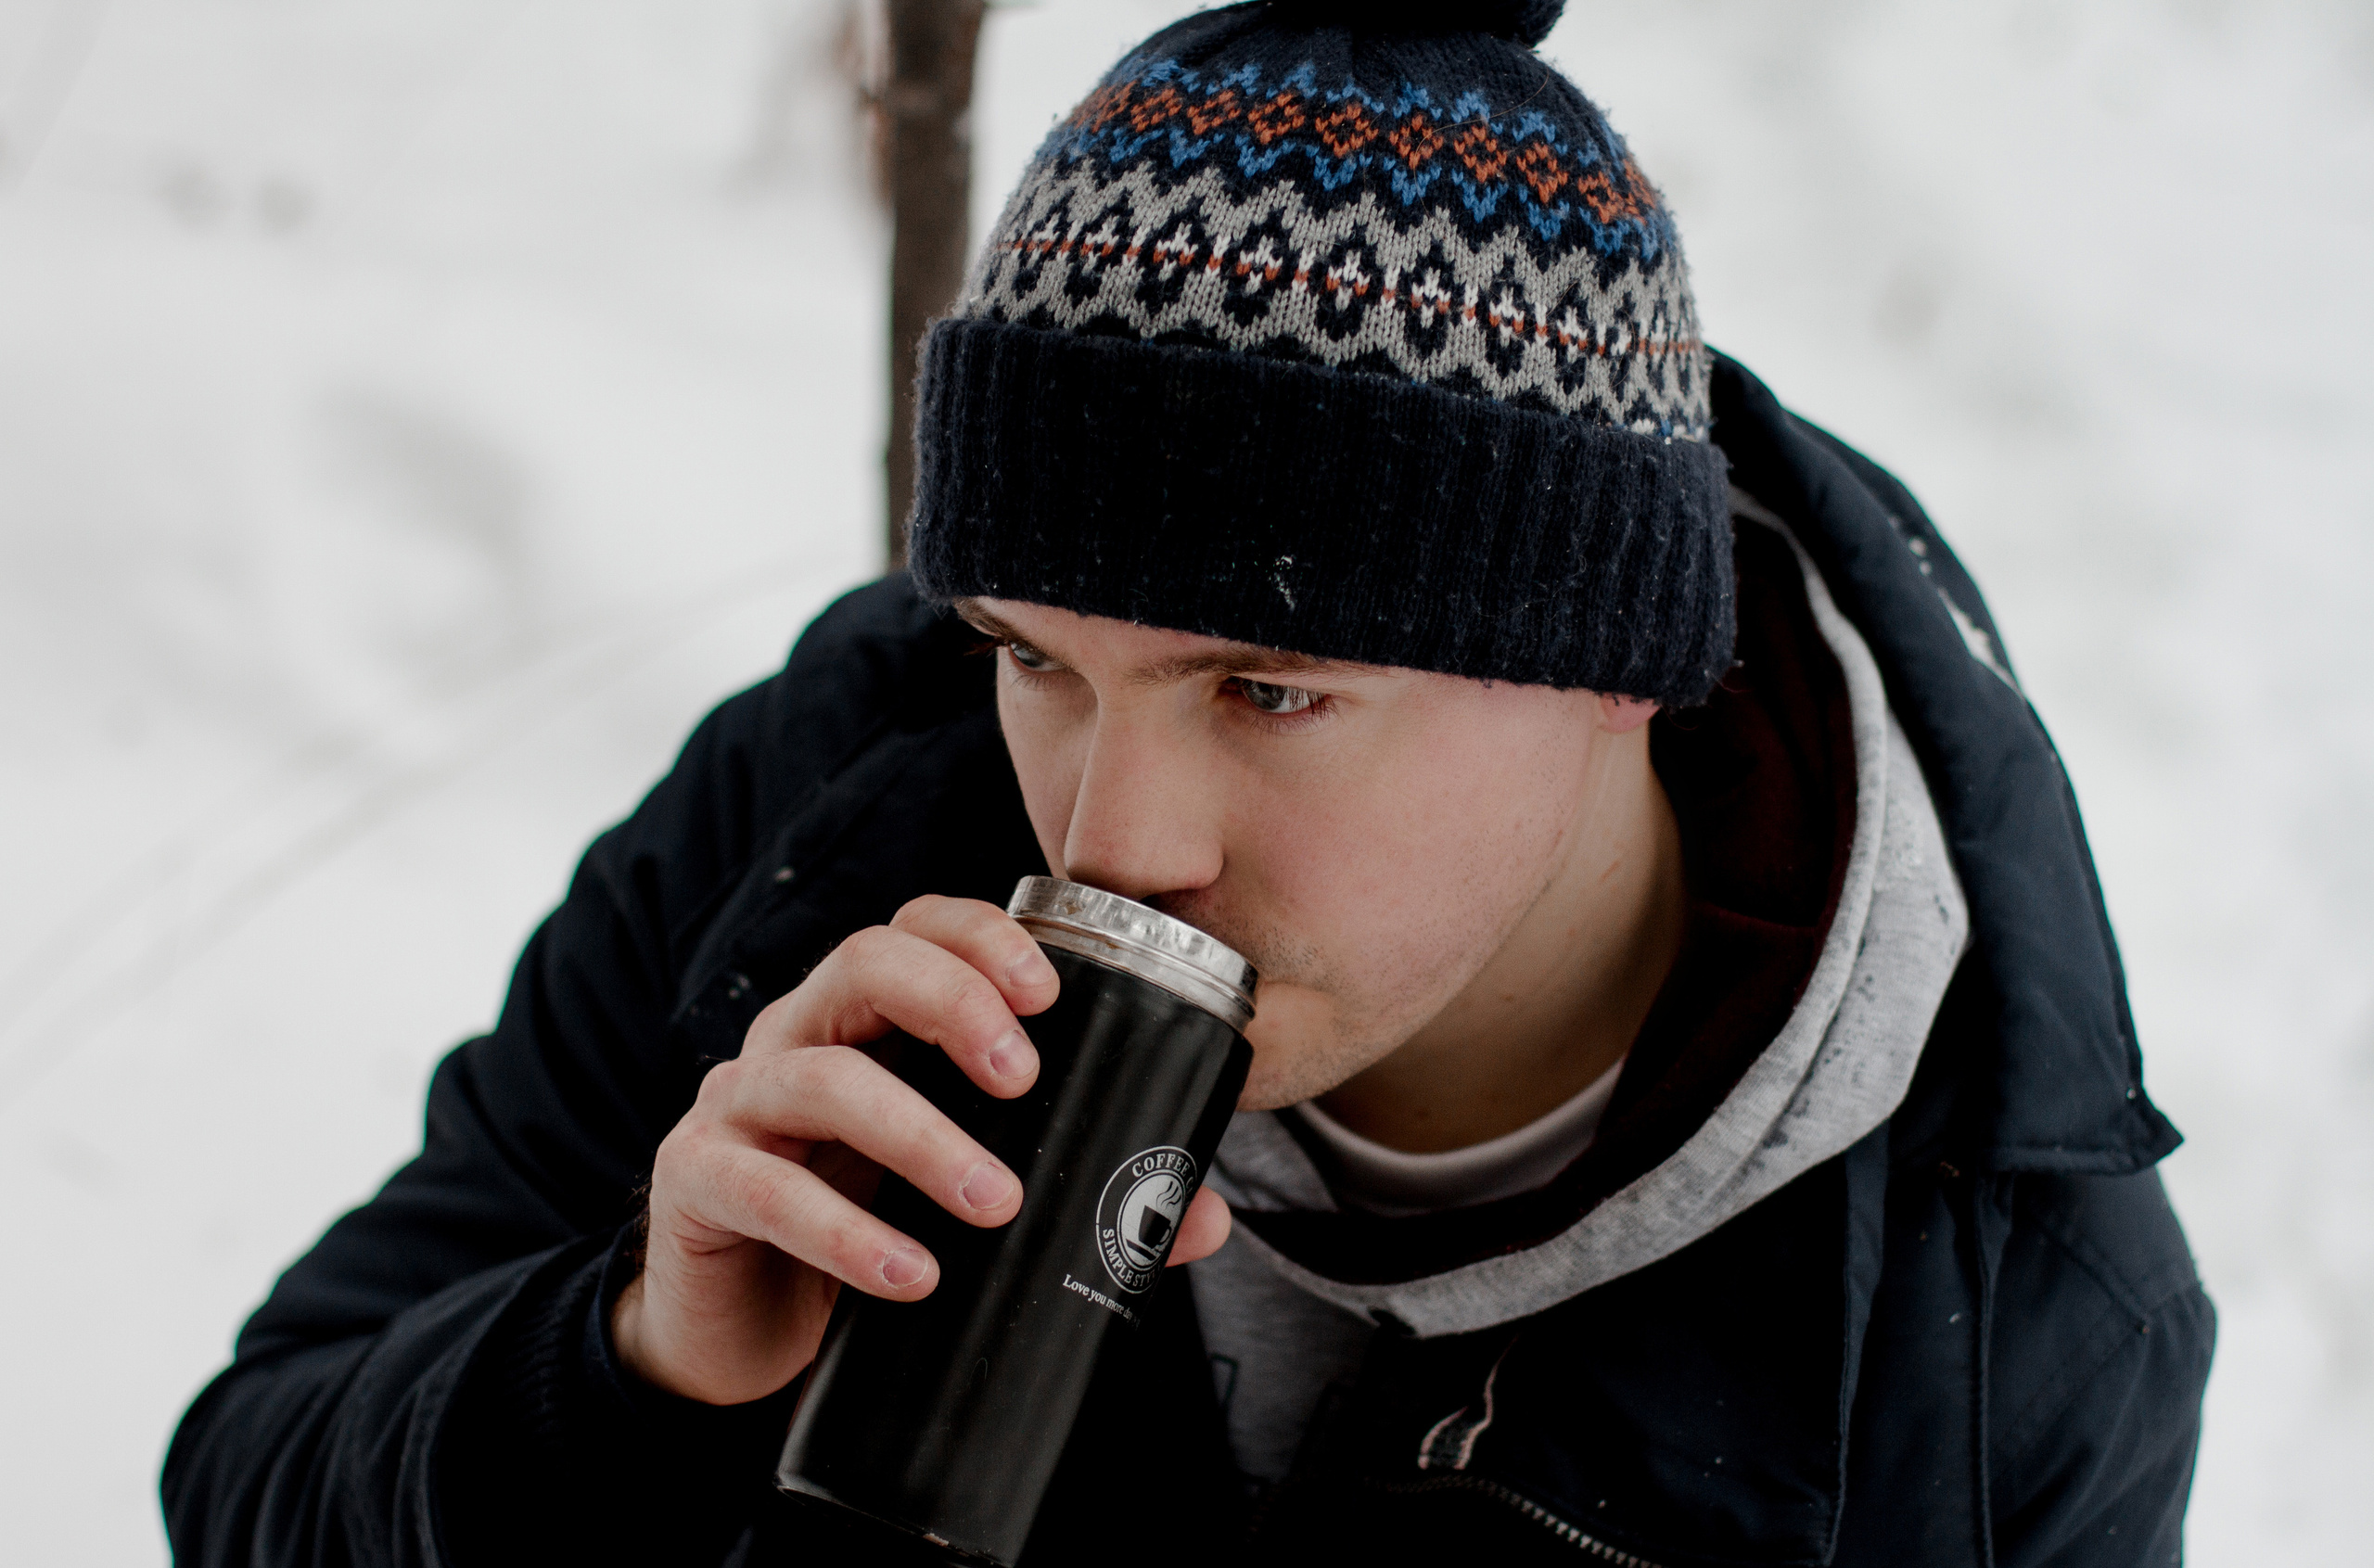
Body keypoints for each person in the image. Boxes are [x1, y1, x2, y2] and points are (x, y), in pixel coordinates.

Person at [162, 3, 2213, 1563]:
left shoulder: (1991, 1309)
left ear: (1618, 674)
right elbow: (247, 1474)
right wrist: (623, 1368)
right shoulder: (834, 816)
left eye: (1269, 688)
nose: (1109, 837)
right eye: (1038, 659)